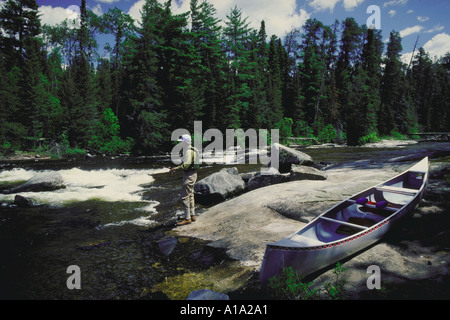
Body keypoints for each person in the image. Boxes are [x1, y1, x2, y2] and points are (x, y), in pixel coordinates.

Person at [169, 134, 199, 226]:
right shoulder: (193, 149)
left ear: (185, 142)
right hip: (193, 174)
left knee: (185, 196)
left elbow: (186, 165)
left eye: (181, 142)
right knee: (190, 195)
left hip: (189, 175)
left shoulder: (188, 151)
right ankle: (192, 215)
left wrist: (175, 169)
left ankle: (187, 218)